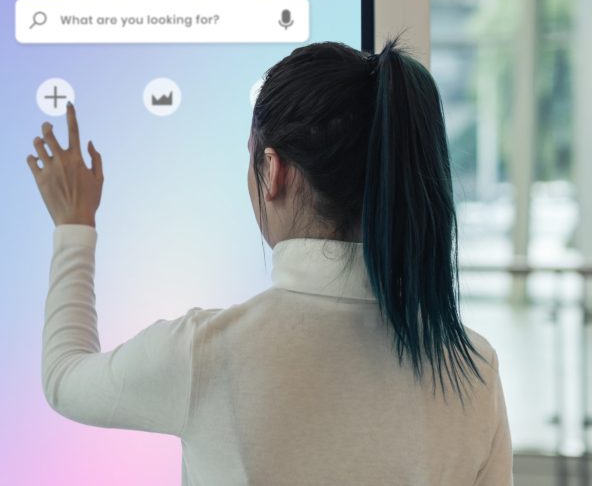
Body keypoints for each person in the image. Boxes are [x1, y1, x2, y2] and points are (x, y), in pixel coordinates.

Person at [26, 40, 512, 485]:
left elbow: (65, 377)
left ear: (273, 171)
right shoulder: (474, 369)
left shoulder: (206, 354)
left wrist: (74, 225)